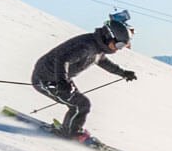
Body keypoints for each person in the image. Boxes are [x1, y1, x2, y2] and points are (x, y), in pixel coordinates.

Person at [31, 14, 138, 143]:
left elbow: (102, 61)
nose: (118, 49)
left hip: (59, 79)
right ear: (108, 36)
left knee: (80, 104)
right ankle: (70, 133)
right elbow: (62, 60)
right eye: (119, 45)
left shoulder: (97, 47)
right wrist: (62, 82)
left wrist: (123, 73)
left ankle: (72, 130)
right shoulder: (86, 47)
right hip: (46, 79)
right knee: (80, 104)